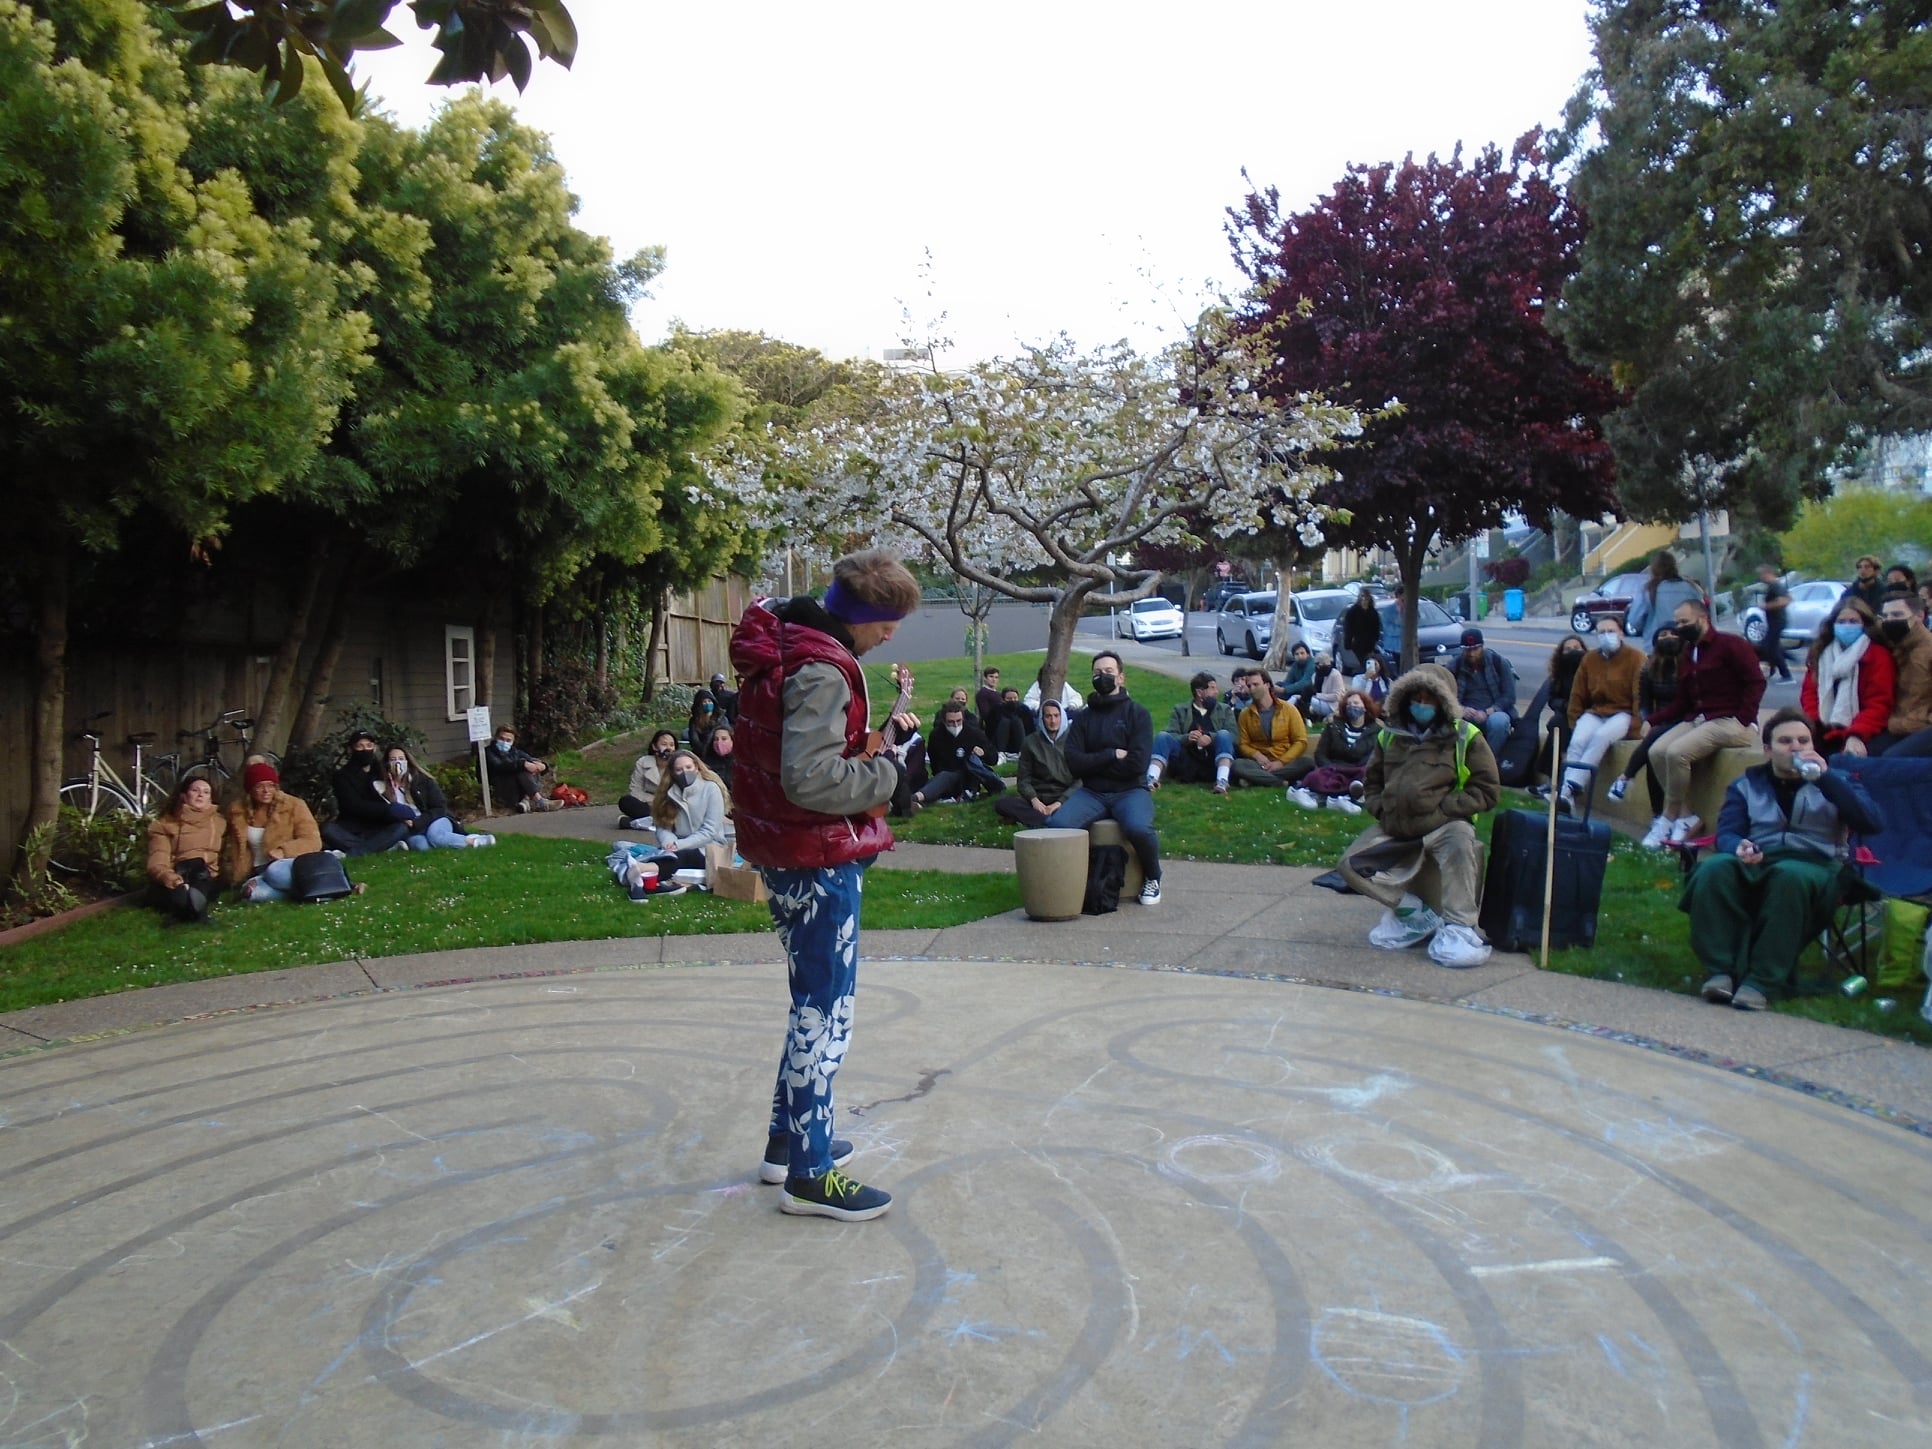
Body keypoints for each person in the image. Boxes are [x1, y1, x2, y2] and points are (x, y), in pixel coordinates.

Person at [729, 545, 921, 1221]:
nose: (891, 636)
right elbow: (809, 778)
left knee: (809, 999)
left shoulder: (787, 642)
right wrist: (889, 774)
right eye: (888, 623)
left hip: (784, 850)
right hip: (815, 858)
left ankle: (789, 1144)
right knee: (826, 1012)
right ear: (863, 616)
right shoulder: (822, 669)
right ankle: (810, 1175)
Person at [1683, 708, 1884, 1011]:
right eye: (1786, 741)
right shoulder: (1745, 785)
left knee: (1789, 877)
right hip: (1760, 859)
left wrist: (1827, 779)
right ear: (1767, 750)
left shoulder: (1837, 781)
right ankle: (1721, 971)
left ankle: (1761, 980)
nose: (1796, 748)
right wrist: (1739, 847)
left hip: (1817, 865)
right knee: (1713, 869)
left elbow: (1872, 822)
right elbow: (1728, 833)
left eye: (1804, 741)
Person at [1340, 663, 1500, 968]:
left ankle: (1459, 927)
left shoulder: (1466, 736)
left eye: (1429, 699)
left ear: (1443, 701)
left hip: (1445, 825)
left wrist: (1444, 811)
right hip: (1396, 827)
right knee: (1350, 865)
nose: (1421, 705)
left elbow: (1487, 790)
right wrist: (1382, 809)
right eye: (1416, 698)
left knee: (1460, 846)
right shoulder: (1389, 736)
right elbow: (1372, 782)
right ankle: (1415, 914)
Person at [1642, 598, 1766, 847]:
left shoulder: (1731, 645)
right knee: (1656, 752)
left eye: (1684, 621)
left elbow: (1756, 681)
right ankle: (1685, 817)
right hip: (1701, 718)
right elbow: (1683, 701)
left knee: (1677, 753)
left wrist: (1744, 717)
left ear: (1702, 618)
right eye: (1677, 622)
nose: (1679, 627)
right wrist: (1652, 720)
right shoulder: (1690, 652)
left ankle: (1668, 817)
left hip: (1731, 721)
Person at [1054, 651, 1164, 906]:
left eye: (1108, 672)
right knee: (1058, 825)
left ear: (1121, 677)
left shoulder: (1138, 714)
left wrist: (1093, 764)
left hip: (1130, 791)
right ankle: (1073, 881)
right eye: (1097, 673)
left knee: (1139, 828)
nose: (1102, 677)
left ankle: (1153, 876)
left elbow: (1137, 764)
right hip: (1092, 792)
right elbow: (1073, 762)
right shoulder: (1083, 718)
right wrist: (1111, 755)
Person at [1552, 617, 1644, 814]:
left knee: (1601, 737)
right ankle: (1565, 796)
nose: (1606, 636)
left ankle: (1571, 787)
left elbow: (1639, 695)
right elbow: (1578, 693)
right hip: (1596, 711)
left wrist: (1636, 725)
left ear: (1621, 633)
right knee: (1578, 741)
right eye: (1601, 632)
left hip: (1623, 713)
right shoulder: (1590, 659)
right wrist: (1574, 720)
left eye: (1611, 631)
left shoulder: (1636, 658)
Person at [1798, 598, 1897, 756]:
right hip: (1822, 727)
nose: (1847, 626)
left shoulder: (1878, 655)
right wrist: (1814, 724)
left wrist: (1856, 734)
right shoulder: (1821, 652)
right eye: (1841, 621)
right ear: (1833, 624)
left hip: (1864, 729)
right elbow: (1809, 692)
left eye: (1853, 621)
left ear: (1864, 624)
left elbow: (1879, 704)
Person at [1607, 625, 1686, 814]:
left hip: (1685, 719)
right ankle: (1657, 814)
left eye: (1674, 634)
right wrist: (1647, 720)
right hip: (1660, 721)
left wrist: (1654, 723)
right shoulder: (1649, 667)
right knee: (1652, 753)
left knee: (1655, 738)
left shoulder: (1688, 665)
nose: (1669, 637)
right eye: (1663, 634)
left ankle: (1626, 777)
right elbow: (1644, 702)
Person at [225, 761, 326, 902]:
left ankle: (317, 888)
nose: (266, 791)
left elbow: (313, 840)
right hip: (257, 870)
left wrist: (284, 851)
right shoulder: (237, 811)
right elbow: (228, 846)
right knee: (253, 894)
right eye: (259, 786)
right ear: (250, 790)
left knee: (275, 873)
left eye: (271, 785)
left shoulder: (294, 805)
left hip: (286, 865)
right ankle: (314, 890)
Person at [378, 745, 496, 850]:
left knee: (435, 836)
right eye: (393, 759)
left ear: (407, 761)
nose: (397, 763)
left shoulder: (423, 780)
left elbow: (440, 807)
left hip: (434, 819)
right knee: (421, 846)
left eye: (401, 759)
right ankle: (402, 845)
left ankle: (475, 841)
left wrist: (418, 822)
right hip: (411, 828)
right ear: (387, 763)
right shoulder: (383, 786)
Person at [1287, 689, 1378, 814]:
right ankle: (1309, 793)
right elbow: (1320, 753)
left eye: (1356, 703)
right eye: (1348, 704)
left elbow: (1372, 757)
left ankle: (1341, 798)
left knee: (1363, 777)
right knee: (1317, 776)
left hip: (1357, 771)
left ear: (1365, 707)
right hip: (1332, 768)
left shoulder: (1376, 731)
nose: (1352, 706)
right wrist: (1330, 767)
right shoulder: (1333, 726)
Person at [320, 730, 411, 856]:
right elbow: (352, 805)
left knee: (401, 828)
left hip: (380, 825)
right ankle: (381, 847)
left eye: (369, 745)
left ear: (374, 747)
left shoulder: (383, 771)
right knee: (327, 829)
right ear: (351, 749)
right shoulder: (342, 776)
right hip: (352, 826)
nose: (365, 750)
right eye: (360, 746)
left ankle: (354, 852)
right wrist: (387, 810)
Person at [146, 776, 223, 922]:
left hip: (205, 877)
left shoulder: (219, 822)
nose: (200, 795)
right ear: (184, 796)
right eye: (195, 790)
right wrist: (171, 878)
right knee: (178, 892)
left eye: (206, 792)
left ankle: (190, 904)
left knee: (198, 868)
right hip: (176, 877)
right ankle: (191, 906)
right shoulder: (165, 825)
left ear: (211, 799)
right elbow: (158, 858)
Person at [1148, 670, 1237, 793]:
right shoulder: (1180, 710)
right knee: (1162, 736)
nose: (1217, 692)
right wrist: (1187, 738)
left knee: (1224, 734)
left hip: (1213, 758)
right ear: (1199, 692)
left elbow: (1234, 736)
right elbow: (1172, 733)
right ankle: (1151, 778)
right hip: (1187, 758)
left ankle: (1222, 781)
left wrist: (1211, 738)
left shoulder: (1225, 710)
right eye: (1212, 688)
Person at [994, 698, 1076, 830]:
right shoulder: (1030, 742)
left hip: (1064, 797)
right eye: (1048, 716)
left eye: (1056, 716)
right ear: (1042, 718)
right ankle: (1047, 820)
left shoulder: (1073, 741)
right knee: (1002, 804)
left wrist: (1059, 803)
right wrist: (1034, 800)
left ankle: (1041, 819)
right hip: (1038, 797)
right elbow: (1023, 779)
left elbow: (1080, 780)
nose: (1053, 721)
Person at [645, 748, 731, 872]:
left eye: (688, 767)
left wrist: (680, 845)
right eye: (679, 770)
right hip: (676, 846)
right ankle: (644, 871)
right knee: (668, 856)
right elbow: (662, 826)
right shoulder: (666, 793)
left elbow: (709, 831)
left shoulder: (711, 789)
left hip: (710, 846)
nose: (685, 772)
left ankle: (644, 870)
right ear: (673, 772)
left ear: (696, 767)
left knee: (685, 857)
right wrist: (669, 842)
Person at [911, 699, 1005, 808]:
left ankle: (915, 799)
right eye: (951, 722)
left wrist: (983, 753)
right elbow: (934, 762)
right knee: (944, 778)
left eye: (959, 721)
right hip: (946, 776)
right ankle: (916, 801)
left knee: (946, 777)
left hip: (969, 778)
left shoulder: (974, 733)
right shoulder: (936, 735)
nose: (955, 725)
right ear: (944, 721)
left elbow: (993, 758)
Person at [1871, 592, 1932, 756]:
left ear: (1919, 616)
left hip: (1922, 728)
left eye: (1897, 615)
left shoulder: (1928, 650)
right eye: (1885, 616)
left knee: (1890, 759)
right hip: (1897, 725)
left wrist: (1922, 721)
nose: (1890, 620)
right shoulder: (1893, 647)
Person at [1232, 672, 1312, 789]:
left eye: (1256, 684)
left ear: (1267, 685)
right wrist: (1257, 755)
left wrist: (1281, 762)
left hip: (1285, 761)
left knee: (1308, 762)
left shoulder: (1289, 709)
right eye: (1249, 686)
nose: (1252, 689)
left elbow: (1300, 741)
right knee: (1237, 764)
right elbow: (1243, 744)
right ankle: (1280, 782)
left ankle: (1257, 779)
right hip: (1260, 763)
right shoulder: (1245, 714)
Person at [1450, 628, 1519, 750]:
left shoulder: (1498, 662)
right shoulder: (1455, 665)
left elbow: (1509, 696)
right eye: (1467, 650)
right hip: (1466, 715)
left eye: (1475, 649)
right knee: (1453, 724)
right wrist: (1461, 709)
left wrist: (1490, 711)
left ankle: (1491, 757)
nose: (1471, 654)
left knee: (1499, 722)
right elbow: (1446, 695)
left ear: (1482, 647)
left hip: (1492, 712)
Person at [1624, 550, 1703, 640]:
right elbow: (1701, 615)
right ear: (1675, 566)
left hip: (1655, 641)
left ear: (1653, 569)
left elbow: (1634, 621)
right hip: (1685, 641)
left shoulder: (1648, 590)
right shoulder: (1690, 588)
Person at [486, 725, 553, 813]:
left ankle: (525, 801)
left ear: (513, 741)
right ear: (496, 738)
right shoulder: (488, 752)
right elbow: (499, 766)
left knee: (530, 766)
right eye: (501, 739)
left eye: (508, 740)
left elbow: (531, 760)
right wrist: (523, 764)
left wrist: (542, 765)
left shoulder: (514, 752)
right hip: (500, 788)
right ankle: (539, 801)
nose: (504, 742)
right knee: (522, 768)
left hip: (517, 788)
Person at [620, 730, 680, 829]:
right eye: (664, 744)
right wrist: (655, 802)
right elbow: (635, 790)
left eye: (672, 745)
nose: (668, 748)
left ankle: (637, 822)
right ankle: (657, 821)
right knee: (626, 801)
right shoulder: (643, 762)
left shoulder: (679, 764)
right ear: (654, 746)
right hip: (649, 805)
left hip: (671, 806)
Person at [1755, 564, 1793, 681]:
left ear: (1768, 573)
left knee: (1771, 647)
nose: (1760, 578)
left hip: (1778, 620)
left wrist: (1767, 606)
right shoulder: (1772, 586)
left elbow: (1786, 600)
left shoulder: (1776, 585)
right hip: (1773, 620)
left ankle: (1786, 675)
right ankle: (1778, 665)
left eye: (1761, 575)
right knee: (1771, 646)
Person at [1339, 588, 1384, 674]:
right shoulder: (1353, 611)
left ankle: (1369, 674)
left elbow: (1377, 626)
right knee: (1363, 661)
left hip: (1370, 642)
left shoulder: (1372, 611)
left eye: (1366, 597)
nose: (1364, 599)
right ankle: (1365, 674)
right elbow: (1348, 627)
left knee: (1370, 661)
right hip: (1357, 642)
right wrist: (1348, 641)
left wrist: (1376, 638)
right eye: (1362, 596)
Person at [1306, 652, 1347, 721]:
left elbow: (1337, 696)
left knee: (1309, 700)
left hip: (1332, 706)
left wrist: (1317, 695)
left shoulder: (1335, 675)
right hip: (1318, 702)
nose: (1318, 667)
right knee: (1297, 697)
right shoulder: (1315, 675)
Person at [1279, 643, 1318, 711]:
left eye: (1302, 653)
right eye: (1296, 654)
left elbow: (1305, 683)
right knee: (1278, 685)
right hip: (1296, 690)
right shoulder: (1295, 665)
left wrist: (1284, 690)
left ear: (1308, 654)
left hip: (1309, 693)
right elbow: (1288, 681)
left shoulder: (1312, 664)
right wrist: (1282, 688)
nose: (1300, 656)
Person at [686, 688, 722, 755]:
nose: (708, 703)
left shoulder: (720, 719)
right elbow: (694, 740)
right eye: (704, 702)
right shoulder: (694, 721)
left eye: (709, 701)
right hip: (699, 752)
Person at [704, 722, 737, 789]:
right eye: (716, 739)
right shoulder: (706, 764)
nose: (719, 742)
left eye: (724, 739)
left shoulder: (741, 763)